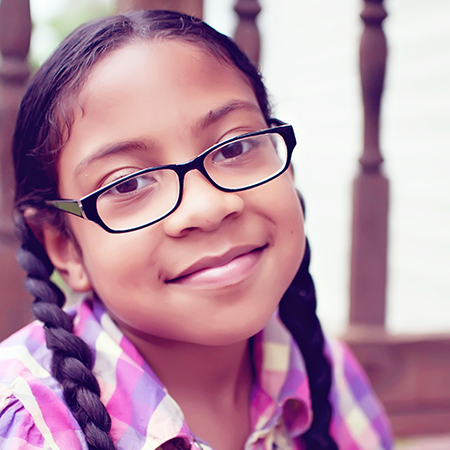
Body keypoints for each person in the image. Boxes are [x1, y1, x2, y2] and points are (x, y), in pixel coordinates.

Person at [0, 10, 392, 450]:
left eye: (236, 146)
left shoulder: (327, 372)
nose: (207, 207)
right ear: (64, 247)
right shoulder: (31, 428)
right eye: (128, 183)